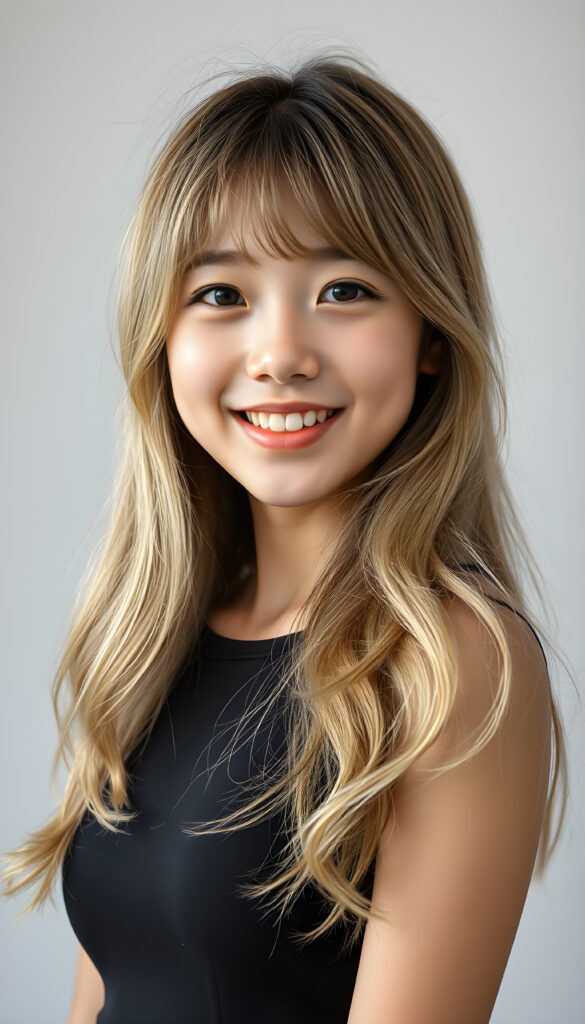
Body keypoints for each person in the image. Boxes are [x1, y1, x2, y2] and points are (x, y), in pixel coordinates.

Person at [2, 52, 569, 1024]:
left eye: (344, 289)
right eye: (221, 295)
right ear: (164, 337)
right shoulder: (158, 635)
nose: (281, 355)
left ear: (431, 330)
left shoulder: (451, 657)